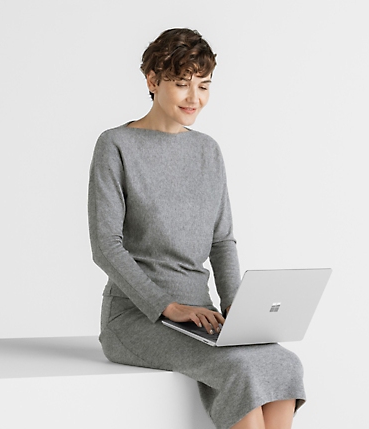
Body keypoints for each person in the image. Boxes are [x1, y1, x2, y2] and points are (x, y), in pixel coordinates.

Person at [88, 28, 306, 429]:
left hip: (203, 317)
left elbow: (222, 241)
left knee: (282, 363)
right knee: (240, 369)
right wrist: (165, 307)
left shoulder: (207, 150)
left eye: (203, 85)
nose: (195, 98)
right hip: (137, 318)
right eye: (181, 84)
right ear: (152, 81)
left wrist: (238, 310)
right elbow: (106, 246)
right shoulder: (115, 145)